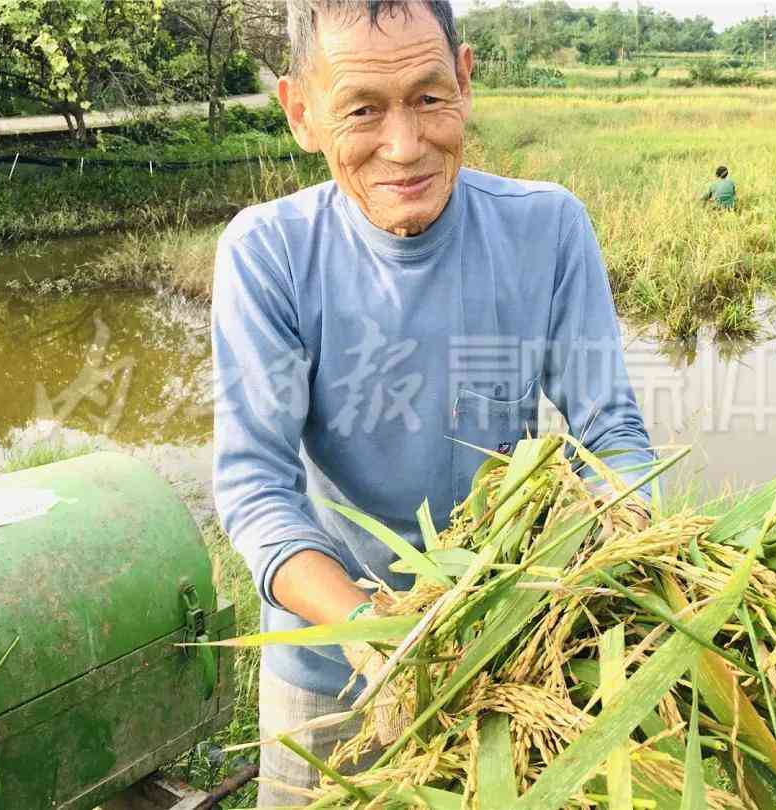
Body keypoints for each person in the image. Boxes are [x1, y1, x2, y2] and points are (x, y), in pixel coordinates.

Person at [210, 2, 654, 805]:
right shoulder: (268, 253)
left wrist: (628, 547)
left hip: (506, 652)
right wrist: (375, 634)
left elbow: (609, 430)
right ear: (301, 113)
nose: (405, 145)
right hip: (330, 665)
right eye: (362, 111)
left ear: (466, 81)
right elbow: (256, 490)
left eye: (428, 97)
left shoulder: (548, 228)